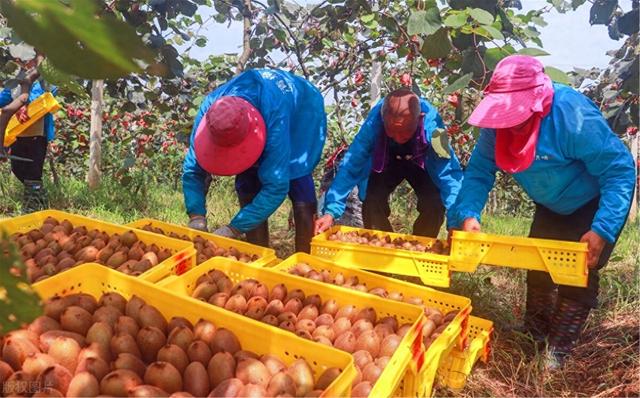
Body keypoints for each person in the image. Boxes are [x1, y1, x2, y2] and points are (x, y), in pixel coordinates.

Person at [447, 55, 636, 368]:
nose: (510, 121)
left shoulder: (570, 114)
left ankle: (558, 348)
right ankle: (534, 333)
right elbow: (479, 172)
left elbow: (618, 170)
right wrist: (468, 216)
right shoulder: (497, 128)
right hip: (551, 203)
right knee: (539, 268)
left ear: (537, 103)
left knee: (578, 271)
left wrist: (602, 229)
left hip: (593, 200)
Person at [182, 68, 326, 253]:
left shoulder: (275, 116)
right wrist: (196, 216)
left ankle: (305, 256)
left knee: (296, 176)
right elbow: (193, 169)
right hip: (262, 115)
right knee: (247, 181)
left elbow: (276, 187)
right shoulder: (211, 108)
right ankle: (258, 254)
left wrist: (234, 228)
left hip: (302, 113)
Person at [314, 88, 463, 238]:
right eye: (392, 131)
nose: (398, 138)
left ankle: (422, 245)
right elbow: (351, 164)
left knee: (434, 204)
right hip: (386, 160)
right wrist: (331, 212)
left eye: (405, 132)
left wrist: (456, 222)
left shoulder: (435, 129)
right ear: (383, 120)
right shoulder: (372, 124)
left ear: (420, 119)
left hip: (422, 162)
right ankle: (381, 243)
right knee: (371, 201)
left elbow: (449, 173)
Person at [0, 64, 55, 214]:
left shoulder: (44, 79)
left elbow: (48, 93)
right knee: (16, 168)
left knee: (33, 171)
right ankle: (40, 199)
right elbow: (5, 97)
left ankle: (31, 208)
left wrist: (25, 101)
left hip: (37, 135)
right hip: (18, 133)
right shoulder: (15, 82)